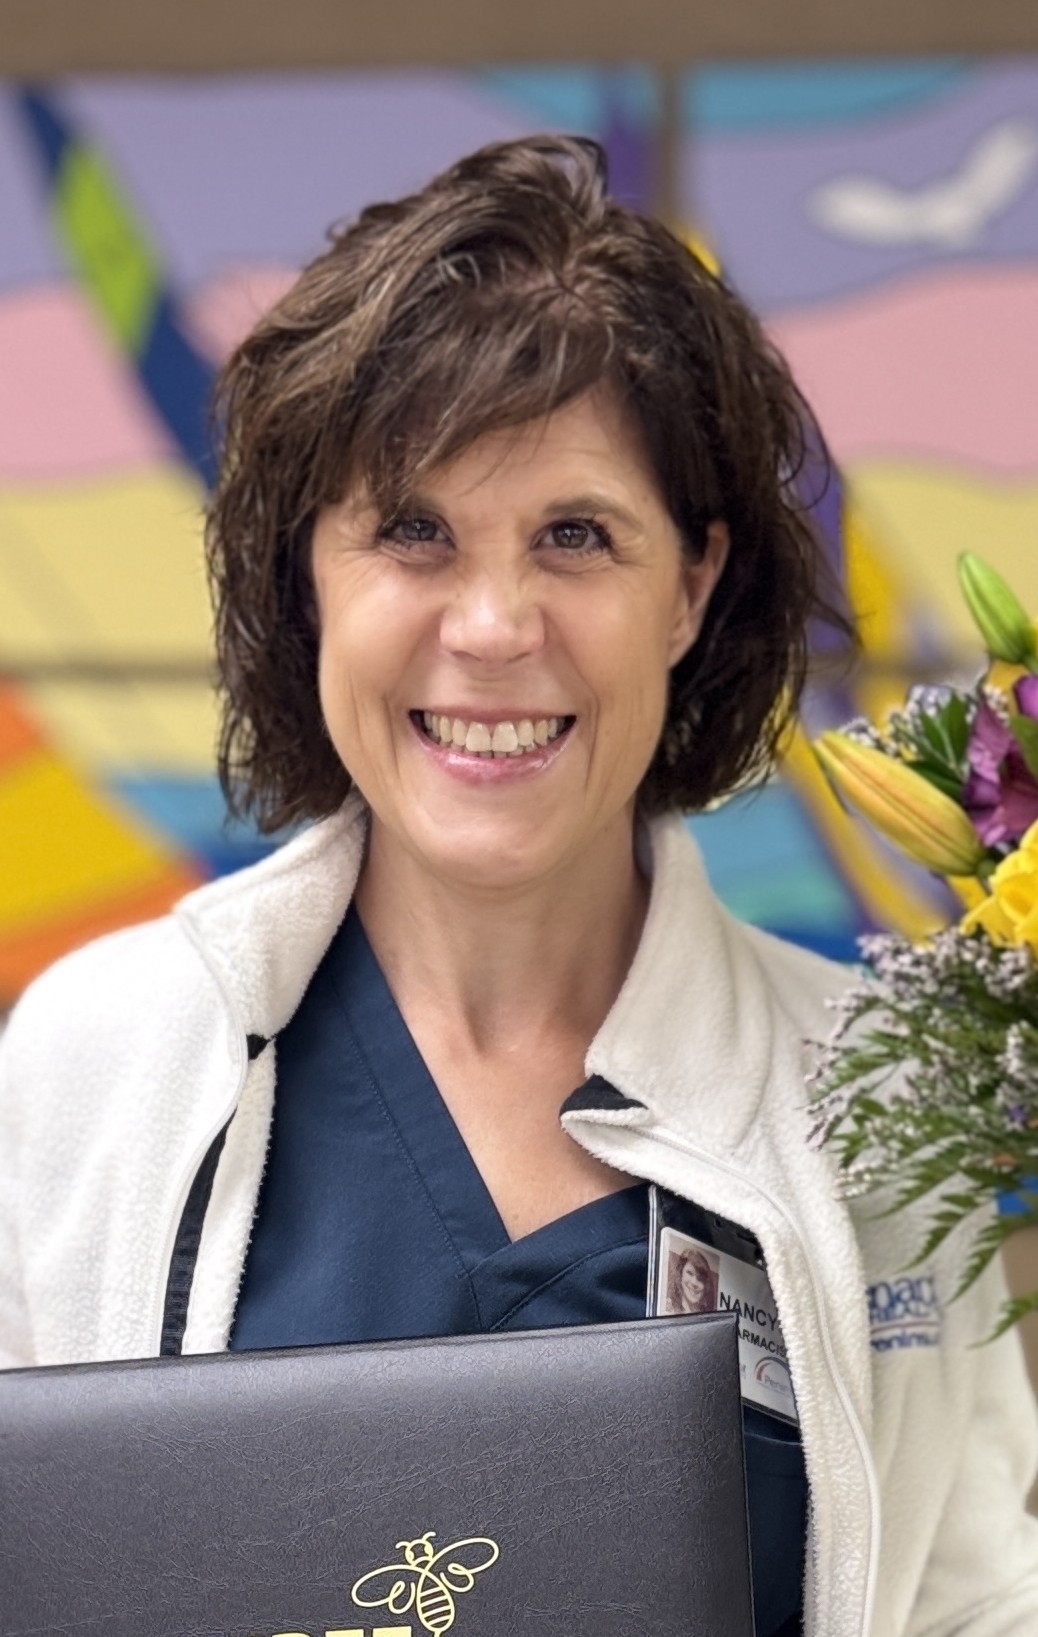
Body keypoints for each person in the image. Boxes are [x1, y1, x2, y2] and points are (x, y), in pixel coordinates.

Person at [0, 134, 1036, 1637]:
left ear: (687, 586)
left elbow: (973, 1607)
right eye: (412, 531)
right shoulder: (90, 1062)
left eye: (574, 536)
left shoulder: (866, 1103)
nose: (490, 627)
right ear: (309, 576)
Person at [667, 1245, 720, 1316]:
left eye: (700, 1278)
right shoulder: (668, 1308)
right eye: (690, 1273)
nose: (694, 1282)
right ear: (680, 1274)